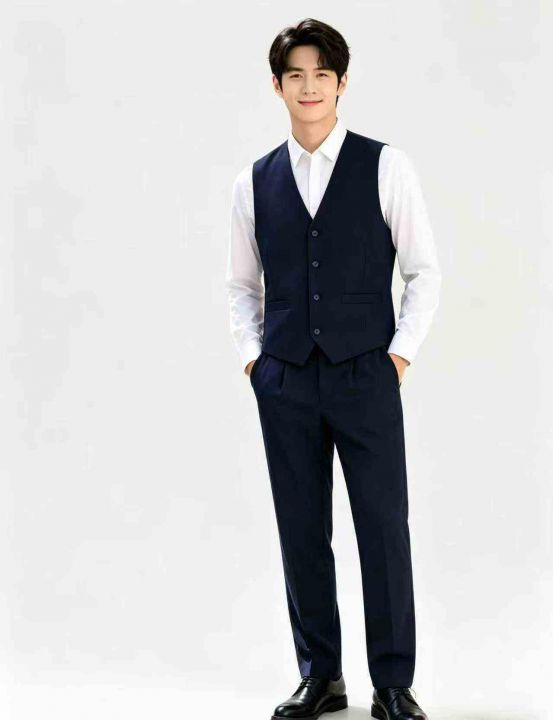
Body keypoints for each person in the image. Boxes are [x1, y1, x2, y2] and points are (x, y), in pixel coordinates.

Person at [225, 17, 441, 720]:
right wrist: (255, 361)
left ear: (341, 83)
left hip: (365, 374)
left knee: (383, 527)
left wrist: (398, 356)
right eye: (296, 75)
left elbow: (424, 272)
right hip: (285, 377)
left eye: (322, 74)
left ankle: (392, 683)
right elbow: (241, 285)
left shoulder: (386, 166)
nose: (309, 86)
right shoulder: (254, 181)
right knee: (301, 529)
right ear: (278, 86)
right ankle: (321, 675)